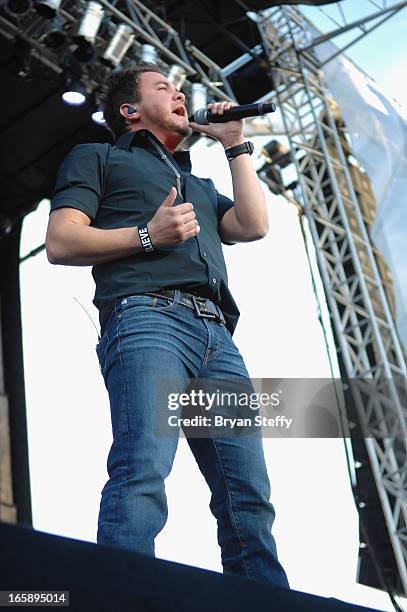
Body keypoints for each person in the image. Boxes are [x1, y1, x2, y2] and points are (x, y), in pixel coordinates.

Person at [45, 62, 290, 589]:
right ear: (130, 111)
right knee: (143, 471)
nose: (179, 93)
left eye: (180, 88)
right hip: (147, 319)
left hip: (217, 338)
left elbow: (252, 225)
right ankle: (121, 596)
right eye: (163, 88)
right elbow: (61, 242)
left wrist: (234, 143)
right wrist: (148, 235)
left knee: (248, 495)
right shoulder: (99, 157)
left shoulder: (196, 182)